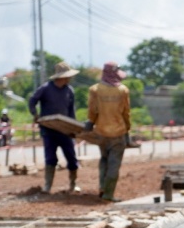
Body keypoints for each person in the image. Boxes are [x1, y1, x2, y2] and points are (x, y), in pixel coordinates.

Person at [28, 61, 81, 193]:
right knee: (50, 157)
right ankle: (48, 185)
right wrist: (35, 114)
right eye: (68, 76)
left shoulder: (69, 91)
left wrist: (73, 129)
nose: (69, 79)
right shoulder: (45, 88)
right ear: (61, 77)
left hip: (64, 130)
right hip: (49, 129)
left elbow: (71, 111)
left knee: (71, 157)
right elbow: (32, 100)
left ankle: (73, 184)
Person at [85, 61, 131, 203]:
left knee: (104, 160)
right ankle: (108, 194)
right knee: (114, 164)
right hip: (118, 133)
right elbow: (126, 113)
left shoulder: (95, 89)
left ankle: (102, 187)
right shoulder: (123, 90)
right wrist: (127, 128)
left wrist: (91, 123)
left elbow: (92, 111)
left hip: (101, 132)